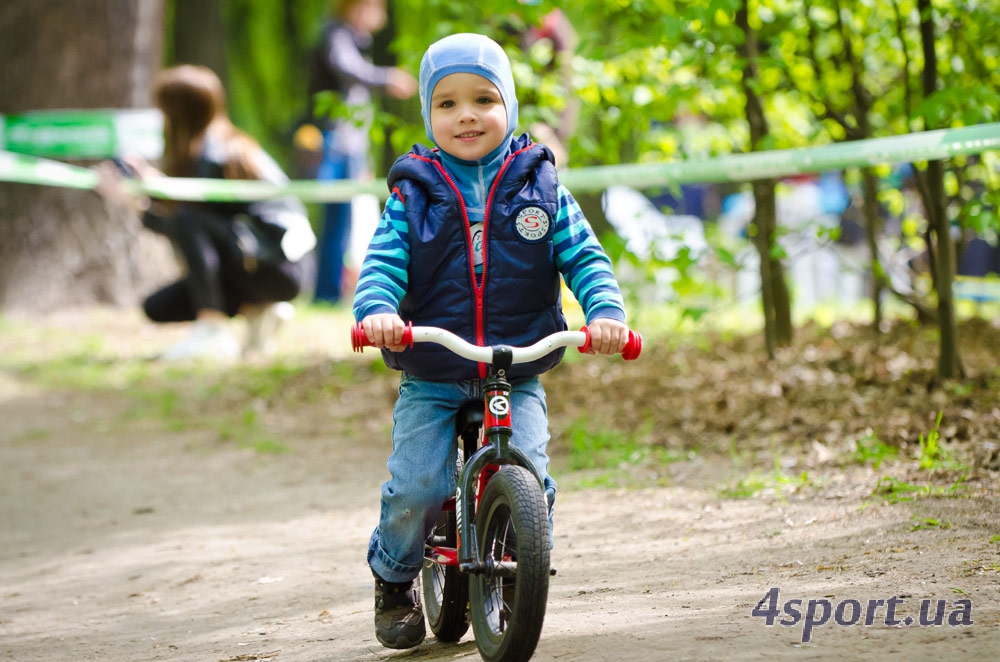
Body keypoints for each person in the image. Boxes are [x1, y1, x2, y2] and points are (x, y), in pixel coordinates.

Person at [352, 33, 629, 650]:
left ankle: (513, 563)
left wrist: (604, 310)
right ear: (428, 114)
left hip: (518, 363)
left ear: (511, 105)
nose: (467, 115)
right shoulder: (413, 192)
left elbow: (585, 257)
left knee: (531, 470)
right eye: (447, 104)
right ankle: (395, 577)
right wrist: (376, 310)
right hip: (434, 364)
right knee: (418, 486)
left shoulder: (542, 185)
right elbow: (383, 263)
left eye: (483, 98)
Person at [96, 65, 317, 361]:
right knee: (158, 307)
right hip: (270, 263)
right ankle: (260, 308)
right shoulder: (225, 146)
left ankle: (212, 329)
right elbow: (206, 226)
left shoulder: (218, 155)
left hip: (277, 266)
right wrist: (150, 183)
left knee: (188, 220)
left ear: (178, 112)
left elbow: (186, 224)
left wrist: (133, 203)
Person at [302, 0, 417, 305]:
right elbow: (348, 69)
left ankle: (331, 289)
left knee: (343, 218)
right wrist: (388, 78)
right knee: (333, 214)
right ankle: (324, 291)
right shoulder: (335, 35)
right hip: (332, 142)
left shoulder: (351, 39)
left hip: (349, 144)